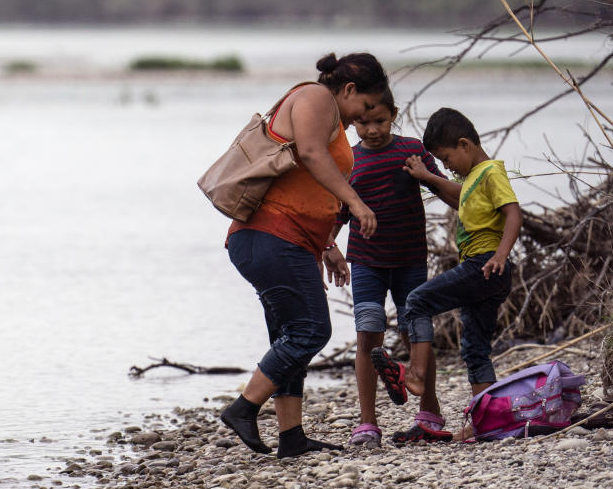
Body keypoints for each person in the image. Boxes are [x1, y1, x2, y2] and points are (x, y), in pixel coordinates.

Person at [219, 52, 387, 458]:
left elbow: (309, 185)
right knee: (312, 330)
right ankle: (243, 408)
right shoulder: (315, 97)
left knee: (290, 334)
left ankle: (291, 437)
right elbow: (312, 155)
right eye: (363, 107)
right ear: (348, 89)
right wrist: (358, 203)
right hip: (269, 237)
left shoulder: (331, 113)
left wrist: (327, 244)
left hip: (286, 241)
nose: (362, 120)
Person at [374, 107, 521, 441]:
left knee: (418, 301)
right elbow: (460, 199)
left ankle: (416, 374)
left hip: (485, 264)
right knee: (474, 348)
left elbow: (514, 213)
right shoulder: (473, 180)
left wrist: (501, 253)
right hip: (487, 271)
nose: (448, 166)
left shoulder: (490, 173)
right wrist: (427, 178)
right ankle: (487, 422)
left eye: (447, 158)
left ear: (465, 144)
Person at [334, 88, 450, 448]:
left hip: (410, 259)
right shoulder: (347, 162)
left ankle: (429, 410)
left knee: (417, 331)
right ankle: (367, 422)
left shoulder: (411, 149)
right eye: (362, 123)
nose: (372, 130)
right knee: (369, 333)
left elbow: (451, 195)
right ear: (352, 122)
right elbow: (337, 213)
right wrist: (327, 247)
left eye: (380, 121)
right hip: (366, 261)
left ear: (394, 114)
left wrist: (426, 175)